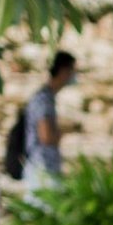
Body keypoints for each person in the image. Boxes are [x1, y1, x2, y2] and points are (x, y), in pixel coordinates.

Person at [22, 48, 76, 190]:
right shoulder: (44, 99)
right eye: (72, 71)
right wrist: (58, 135)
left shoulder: (46, 97)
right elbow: (45, 136)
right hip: (42, 167)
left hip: (41, 168)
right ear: (63, 71)